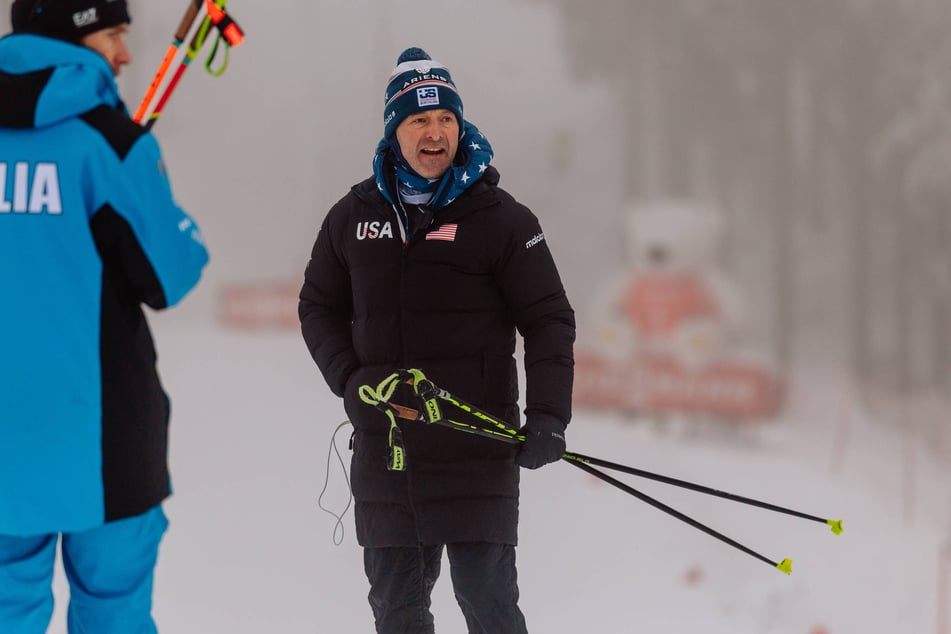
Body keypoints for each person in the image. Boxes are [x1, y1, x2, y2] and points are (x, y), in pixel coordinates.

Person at [299, 46, 575, 633]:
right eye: (419, 119)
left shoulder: (503, 219)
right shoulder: (352, 216)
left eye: (446, 118)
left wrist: (549, 416)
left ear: (460, 126)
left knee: (489, 606)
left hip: (477, 445)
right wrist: (350, 380)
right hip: (389, 448)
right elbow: (318, 306)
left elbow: (549, 318)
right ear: (393, 131)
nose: (435, 132)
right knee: (398, 614)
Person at [0, 1, 209, 632]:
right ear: (74, 35)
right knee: (113, 611)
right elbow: (171, 274)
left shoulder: (112, 140)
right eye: (113, 34)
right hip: (104, 444)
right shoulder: (111, 144)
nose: (124, 53)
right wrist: (160, 197)